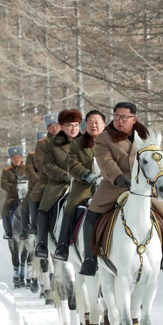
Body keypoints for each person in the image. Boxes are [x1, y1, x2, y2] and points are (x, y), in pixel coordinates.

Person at [79, 101, 163, 276]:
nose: (119, 120)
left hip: (143, 185)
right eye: (116, 116)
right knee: (92, 213)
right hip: (114, 184)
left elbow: (155, 158)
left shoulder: (145, 135)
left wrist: (158, 179)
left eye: (124, 117)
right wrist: (118, 177)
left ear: (134, 119)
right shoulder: (103, 138)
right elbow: (105, 161)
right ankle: (90, 259)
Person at [53, 110, 105, 261]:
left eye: (97, 122)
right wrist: (86, 175)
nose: (93, 125)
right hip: (85, 186)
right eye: (90, 122)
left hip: (109, 185)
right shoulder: (77, 144)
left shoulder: (113, 142)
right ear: (85, 126)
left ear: (104, 125)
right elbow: (73, 164)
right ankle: (62, 244)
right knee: (71, 205)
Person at [35, 109, 82, 258]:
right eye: (69, 125)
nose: (73, 129)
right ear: (62, 127)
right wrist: (64, 175)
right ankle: (41, 243)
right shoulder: (51, 144)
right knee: (43, 209)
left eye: (76, 125)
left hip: (84, 183)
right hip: (59, 184)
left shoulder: (88, 141)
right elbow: (47, 165)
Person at [26, 113, 59, 237]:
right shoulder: (41, 143)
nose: (54, 128)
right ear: (47, 129)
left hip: (67, 176)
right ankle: (34, 223)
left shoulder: (68, 140)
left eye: (56, 125)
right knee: (34, 195)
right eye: (51, 126)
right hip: (47, 178)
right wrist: (52, 172)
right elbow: (39, 162)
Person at [1, 146, 27, 239]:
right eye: (14, 158)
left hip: (26, 196)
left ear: (21, 157)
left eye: (18, 157)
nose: (16, 160)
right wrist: (13, 187)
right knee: (5, 212)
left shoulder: (27, 168)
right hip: (12, 196)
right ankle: (8, 232)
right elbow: (3, 184)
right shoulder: (6, 171)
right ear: (11, 159)